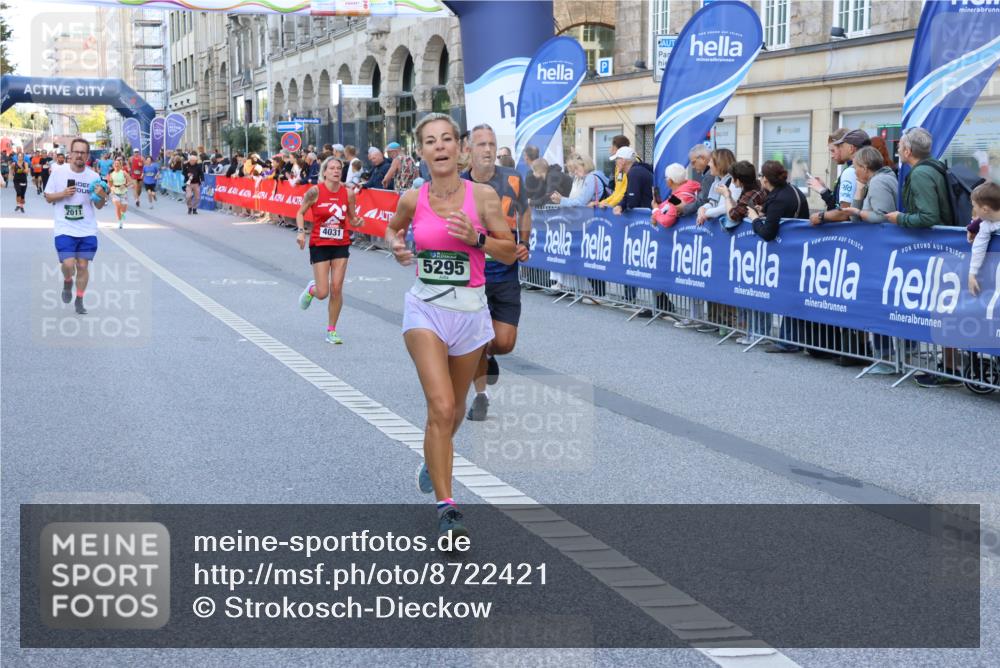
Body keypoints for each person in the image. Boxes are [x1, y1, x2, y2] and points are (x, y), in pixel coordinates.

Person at [385, 113, 515, 541]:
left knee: (455, 411)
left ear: (459, 149)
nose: (439, 147)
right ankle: (448, 507)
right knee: (440, 407)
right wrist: (398, 247)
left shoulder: (482, 198)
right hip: (425, 310)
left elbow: (510, 252)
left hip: (471, 315)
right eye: (430, 141)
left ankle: (433, 457)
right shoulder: (411, 197)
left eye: (446, 140)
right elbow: (393, 230)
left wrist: (476, 240)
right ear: (420, 151)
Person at [460, 123, 531, 422]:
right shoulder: (457, 184)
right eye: (481, 145)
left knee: (504, 342)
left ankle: (488, 355)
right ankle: (481, 396)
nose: (488, 150)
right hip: (470, 276)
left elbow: (525, 210)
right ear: (468, 150)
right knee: (475, 339)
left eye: (491, 144)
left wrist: (524, 241)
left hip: (504, 271)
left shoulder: (513, 179)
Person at [296, 157, 364, 344]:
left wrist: (357, 221)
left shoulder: (348, 193)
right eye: (332, 168)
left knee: (336, 288)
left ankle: (331, 330)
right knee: (323, 292)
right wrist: (301, 233)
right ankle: (312, 289)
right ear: (324, 172)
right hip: (320, 243)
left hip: (340, 243)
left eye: (339, 168)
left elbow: (352, 217)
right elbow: (300, 212)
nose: (336, 171)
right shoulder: (315, 191)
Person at [44, 137, 108, 315]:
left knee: (82, 266)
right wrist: (63, 193)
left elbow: (100, 205)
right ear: (70, 154)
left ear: (87, 155)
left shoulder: (94, 177)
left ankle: (79, 298)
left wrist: (102, 195)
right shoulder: (58, 173)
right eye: (76, 152)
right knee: (68, 264)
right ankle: (67, 280)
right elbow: (48, 197)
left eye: (83, 152)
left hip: (87, 229)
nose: (79, 155)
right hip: (64, 228)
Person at [750, 160, 809, 352]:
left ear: (766, 179)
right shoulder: (791, 191)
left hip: (790, 252)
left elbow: (768, 233)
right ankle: (792, 339)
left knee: (791, 295)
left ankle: (788, 341)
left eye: (761, 176)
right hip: (799, 248)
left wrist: (755, 219)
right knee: (793, 295)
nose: (759, 179)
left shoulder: (779, 198)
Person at [886, 127, 955, 228]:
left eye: (899, 147)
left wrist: (899, 218)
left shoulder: (920, 174)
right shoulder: (934, 166)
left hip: (931, 240)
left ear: (907, 151)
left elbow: (929, 217)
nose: (898, 150)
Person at [808, 129, 869, 226]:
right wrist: (824, 190)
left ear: (850, 148)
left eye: (834, 150)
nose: (832, 156)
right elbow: (839, 205)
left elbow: (844, 213)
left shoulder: (850, 171)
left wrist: (820, 216)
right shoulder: (859, 168)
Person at [839, 146, 897, 224]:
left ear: (864, 168)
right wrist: (859, 190)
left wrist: (858, 212)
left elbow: (883, 217)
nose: (855, 172)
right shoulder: (881, 179)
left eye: (855, 168)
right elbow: (854, 219)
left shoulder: (878, 182)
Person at [967, 182, 1000, 298]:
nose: (973, 209)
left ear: (985, 209)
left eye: (974, 206)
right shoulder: (986, 224)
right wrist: (972, 273)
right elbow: (979, 246)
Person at [651, 162, 701, 228]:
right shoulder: (691, 187)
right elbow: (667, 205)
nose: (665, 180)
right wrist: (656, 213)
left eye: (665, 177)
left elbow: (666, 221)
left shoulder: (677, 198)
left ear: (670, 181)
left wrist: (655, 211)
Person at [695, 148, 736, 226]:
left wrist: (705, 214)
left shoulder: (734, 182)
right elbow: (713, 203)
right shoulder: (717, 181)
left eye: (711, 161)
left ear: (719, 164)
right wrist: (702, 209)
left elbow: (726, 208)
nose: (709, 164)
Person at [611, 147, 654, 216]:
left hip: (647, 218)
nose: (615, 163)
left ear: (623, 161)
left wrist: (622, 206)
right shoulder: (637, 170)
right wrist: (620, 206)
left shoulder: (634, 173)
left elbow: (632, 202)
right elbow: (628, 195)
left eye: (616, 159)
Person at [593, 134, 631, 209]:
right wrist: (603, 203)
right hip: (620, 205)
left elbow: (623, 192)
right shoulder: (618, 165)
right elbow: (617, 192)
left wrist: (609, 205)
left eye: (611, 146)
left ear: (615, 148)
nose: (609, 149)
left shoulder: (626, 163)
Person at [681, 144, 714, 215]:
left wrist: (684, 208)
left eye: (693, 162)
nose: (692, 167)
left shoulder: (710, 175)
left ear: (702, 158)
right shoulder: (709, 174)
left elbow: (703, 201)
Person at [108, 157, 132, 229]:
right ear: (113, 166)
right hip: (115, 191)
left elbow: (131, 181)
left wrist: (125, 185)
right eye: (115, 164)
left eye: (118, 164)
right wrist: (111, 189)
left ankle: (122, 214)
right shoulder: (111, 174)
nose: (116, 165)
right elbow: (110, 184)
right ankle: (120, 222)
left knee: (124, 208)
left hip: (123, 192)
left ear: (121, 165)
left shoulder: (124, 172)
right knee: (118, 205)